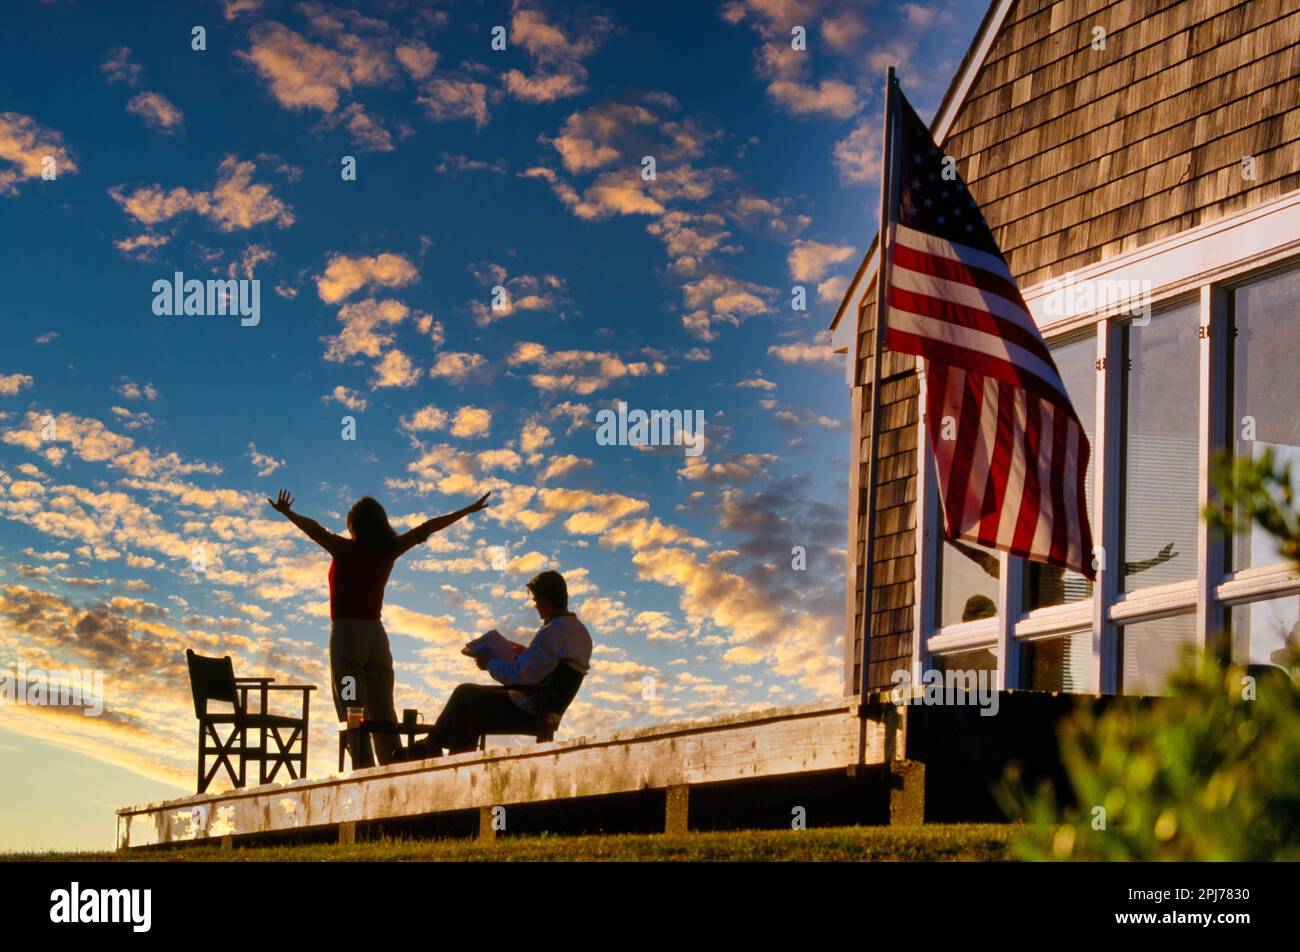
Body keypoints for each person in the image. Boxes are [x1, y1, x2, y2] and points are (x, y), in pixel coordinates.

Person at [266, 488, 490, 767]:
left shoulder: (344, 549)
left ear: (354, 525)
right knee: (383, 712)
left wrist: (288, 513)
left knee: (352, 712)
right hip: (376, 639)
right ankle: (392, 767)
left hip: (348, 636)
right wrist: (467, 510)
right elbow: (429, 526)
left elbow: (313, 529)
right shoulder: (389, 549)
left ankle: (362, 770)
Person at [414, 570, 592, 757]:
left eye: (536, 601)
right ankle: (434, 747)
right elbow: (549, 665)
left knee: (465, 695)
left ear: (546, 600)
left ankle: (433, 747)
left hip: (528, 710)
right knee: (466, 707)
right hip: (545, 709)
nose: (536, 606)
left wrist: (489, 662)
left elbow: (519, 677)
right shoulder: (578, 631)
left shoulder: (551, 632)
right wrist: (527, 653)